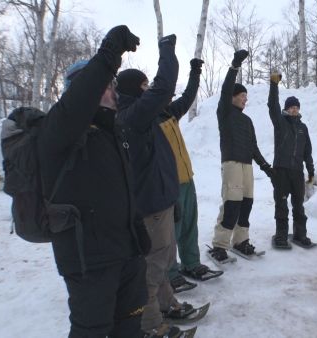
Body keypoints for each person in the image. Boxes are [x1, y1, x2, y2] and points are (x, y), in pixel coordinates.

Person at [37, 25, 150, 337]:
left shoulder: (113, 133)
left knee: (129, 327)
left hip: (125, 253)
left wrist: (137, 231)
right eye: (105, 84)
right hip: (89, 262)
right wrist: (109, 54)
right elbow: (80, 99)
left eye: (112, 84)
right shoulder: (58, 131)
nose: (112, 89)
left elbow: (122, 190)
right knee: (92, 331)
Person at [116, 34, 198, 337]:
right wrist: (166, 50)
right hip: (150, 207)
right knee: (152, 267)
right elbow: (164, 86)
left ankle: (167, 305)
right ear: (136, 89)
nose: (149, 88)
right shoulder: (133, 117)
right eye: (144, 85)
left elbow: (175, 98)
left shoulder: (143, 117)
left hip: (161, 201)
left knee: (162, 261)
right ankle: (150, 325)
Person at [162, 58, 224, 287]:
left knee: (189, 224)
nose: (169, 97)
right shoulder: (145, 117)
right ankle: (169, 272)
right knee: (171, 230)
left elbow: (188, 97)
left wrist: (195, 73)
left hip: (187, 179)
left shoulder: (169, 113)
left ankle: (191, 263)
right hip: (168, 185)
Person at [208, 49, 274, 262]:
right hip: (232, 164)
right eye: (242, 96)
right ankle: (219, 245)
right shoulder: (225, 113)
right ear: (233, 97)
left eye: (246, 97)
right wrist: (234, 66)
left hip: (247, 166)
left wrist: (266, 167)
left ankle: (240, 241)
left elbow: (254, 147)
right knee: (231, 204)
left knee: (246, 204)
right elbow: (226, 90)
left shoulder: (247, 121)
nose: (245, 100)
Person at [267, 71, 315, 249]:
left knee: (298, 206)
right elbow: (272, 105)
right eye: (291, 107)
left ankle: (300, 235)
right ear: (286, 109)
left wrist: (310, 170)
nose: (294, 109)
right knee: (281, 205)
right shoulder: (280, 123)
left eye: (296, 107)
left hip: (296, 172)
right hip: (281, 170)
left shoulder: (303, 128)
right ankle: (281, 235)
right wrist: (273, 85)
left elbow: (307, 152)